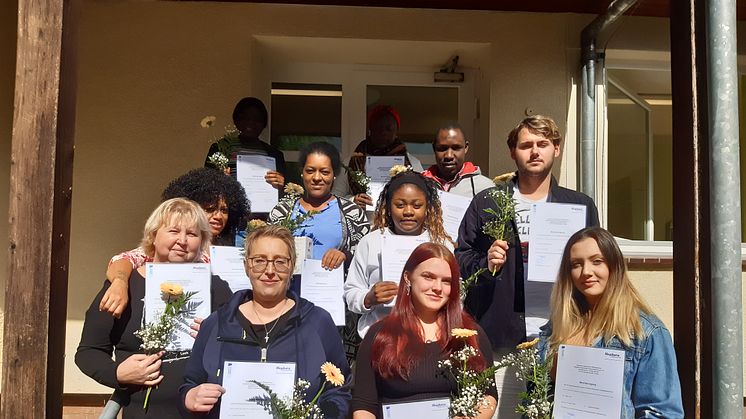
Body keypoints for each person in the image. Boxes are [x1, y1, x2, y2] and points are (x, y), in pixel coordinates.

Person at [455, 115, 598, 416]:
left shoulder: (579, 206)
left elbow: (599, 265)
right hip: (502, 338)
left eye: (543, 144)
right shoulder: (488, 202)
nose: (535, 151)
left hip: (563, 334)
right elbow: (461, 258)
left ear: (556, 149)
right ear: (513, 152)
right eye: (526, 145)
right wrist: (486, 261)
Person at [75, 198, 234, 418]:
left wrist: (215, 339)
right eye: (173, 231)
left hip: (202, 411)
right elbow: (88, 352)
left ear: (203, 241)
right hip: (142, 411)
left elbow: (240, 349)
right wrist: (117, 373)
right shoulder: (125, 286)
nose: (182, 241)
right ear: (153, 235)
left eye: (192, 234)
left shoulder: (217, 288)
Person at [180, 225, 352, 418]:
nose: (270, 270)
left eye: (280, 262)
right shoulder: (217, 324)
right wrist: (189, 398)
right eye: (259, 261)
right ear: (247, 266)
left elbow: (340, 390)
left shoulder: (318, 322)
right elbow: (190, 384)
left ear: (292, 265)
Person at [537, 227, 684, 417]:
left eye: (597, 261)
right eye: (576, 264)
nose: (586, 272)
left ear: (614, 266)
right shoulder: (554, 329)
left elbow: (663, 413)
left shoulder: (646, 332)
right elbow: (535, 399)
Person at [351, 243, 497, 419]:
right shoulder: (380, 335)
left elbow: (488, 395)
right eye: (428, 277)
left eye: (446, 281)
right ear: (408, 278)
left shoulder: (470, 334)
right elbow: (363, 404)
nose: (437, 287)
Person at [99, 167, 250, 318]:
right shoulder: (173, 249)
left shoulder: (232, 250)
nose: (218, 216)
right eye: (210, 209)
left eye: (224, 210)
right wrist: (120, 282)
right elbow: (122, 261)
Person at [268, 141, 370, 362]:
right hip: (288, 303)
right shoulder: (281, 212)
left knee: (332, 369)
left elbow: (365, 255)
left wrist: (346, 254)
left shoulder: (352, 212)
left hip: (334, 307)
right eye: (310, 170)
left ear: (334, 175)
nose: (317, 177)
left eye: (324, 172)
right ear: (301, 173)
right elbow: (267, 250)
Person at [344, 169, 453, 338]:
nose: (408, 211)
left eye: (417, 205)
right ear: (388, 207)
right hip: (380, 336)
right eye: (400, 205)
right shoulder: (371, 242)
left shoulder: (441, 245)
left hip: (430, 338)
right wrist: (368, 298)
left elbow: (456, 294)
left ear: (427, 208)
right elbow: (351, 291)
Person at [333, 105, 424, 208]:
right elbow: (335, 197)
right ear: (370, 130)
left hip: (398, 223)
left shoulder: (412, 163)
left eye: (388, 129)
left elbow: (423, 197)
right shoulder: (351, 161)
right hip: (362, 222)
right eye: (378, 128)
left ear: (396, 131)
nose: (383, 133)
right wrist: (352, 200)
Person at [204, 96, 286, 192]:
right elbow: (206, 184)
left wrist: (282, 184)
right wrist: (219, 180)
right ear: (236, 120)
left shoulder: (275, 155)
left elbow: (286, 191)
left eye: (257, 119)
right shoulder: (220, 148)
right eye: (244, 118)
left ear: (264, 124)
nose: (250, 122)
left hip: (263, 205)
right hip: (229, 205)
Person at [421, 123, 493, 198]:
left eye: (456, 148)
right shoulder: (419, 184)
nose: (449, 156)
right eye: (442, 148)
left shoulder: (485, 188)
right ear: (434, 148)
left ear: (466, 148)